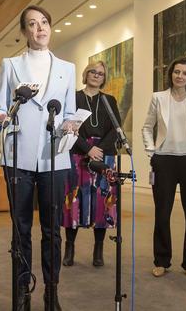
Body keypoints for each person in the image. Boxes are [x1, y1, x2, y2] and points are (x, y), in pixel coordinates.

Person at [0, 5, 75, 311]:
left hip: (54, 156)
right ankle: (22, 291)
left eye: (44, 22)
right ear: (24, 32)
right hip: (18, 156)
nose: (40, 28)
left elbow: (70, 110)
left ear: (51, 27)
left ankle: (52, 292)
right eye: (32, 24)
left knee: (53, 230)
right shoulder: (10, 65)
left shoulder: (67, 67)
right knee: (20, 228)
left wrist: (71, 122)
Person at [141, 57, 186, 279]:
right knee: (162, 214)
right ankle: (161, 260)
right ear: (170, 73)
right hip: (164, 161)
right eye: (176, 72)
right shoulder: (158, 98)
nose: (179, 76)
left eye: (184, 73)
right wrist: (152, 152)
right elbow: (146, 127)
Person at [62, 61, 121, 268]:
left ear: (104, 78)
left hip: (104, 157)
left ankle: (98, 249)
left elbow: (116, 129)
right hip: (78, 154)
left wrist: (99, 150)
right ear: (86, 74)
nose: (96, 76)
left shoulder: (109, 100)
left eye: (101, 74)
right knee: (74, 203)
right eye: (93, 72)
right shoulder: (74, 98)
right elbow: (68, 127)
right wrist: (88, 149)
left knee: (102, 203)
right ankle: (69, 248)